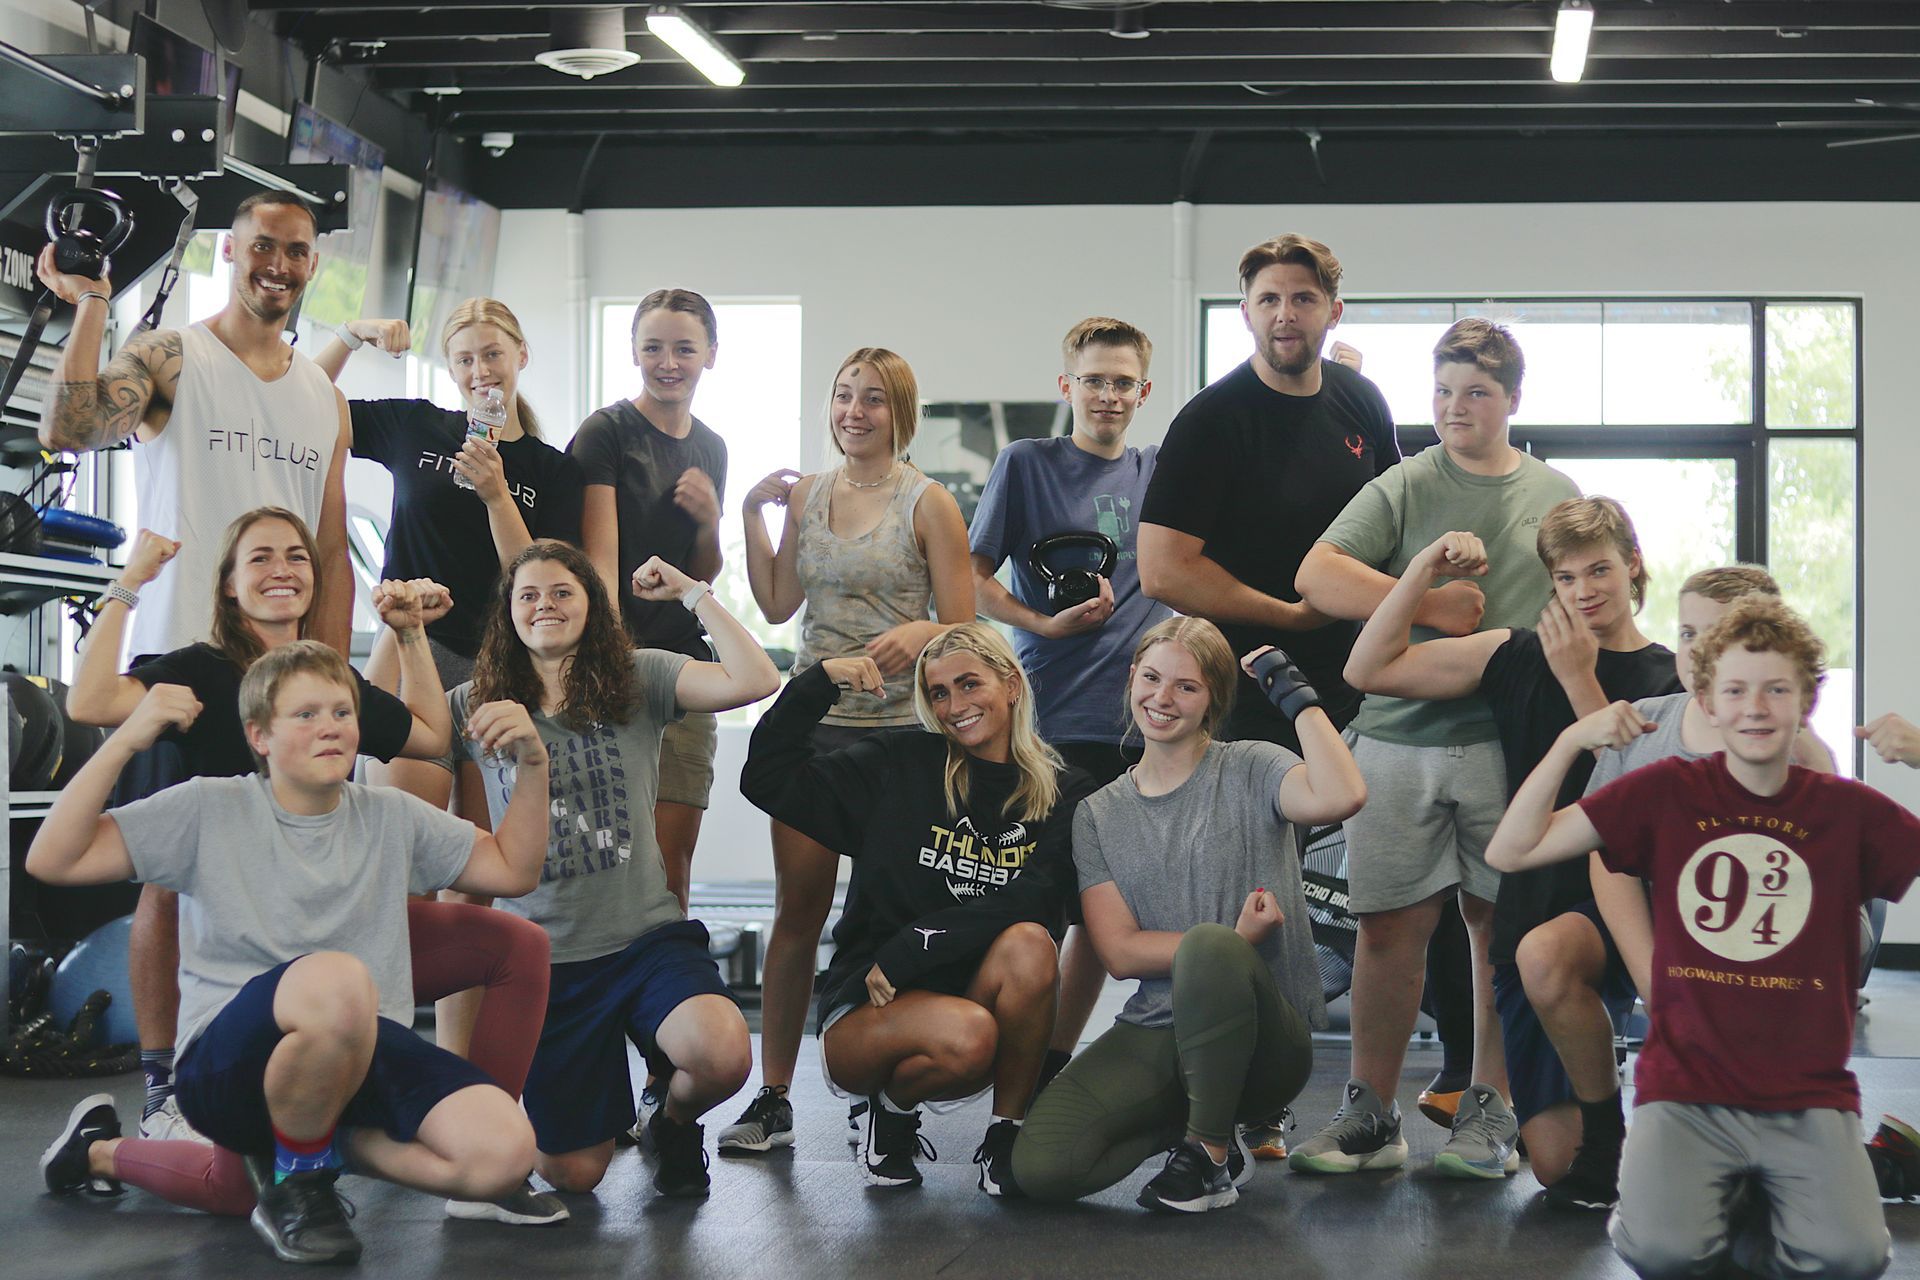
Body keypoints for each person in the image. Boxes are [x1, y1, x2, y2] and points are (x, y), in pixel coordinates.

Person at [32, 641, 553, 1266]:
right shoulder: (208, 806)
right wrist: (123, 741)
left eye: (341, 712)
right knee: (338, 981)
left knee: (502, 1154)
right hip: (229, 1067)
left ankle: (308, 1144)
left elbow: (513, 868)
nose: (329, 727)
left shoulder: (391, 815)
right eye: (305, 714)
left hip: (355, 1055)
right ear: (259, 735)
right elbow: (53, 858)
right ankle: (296, 1178)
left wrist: (533, 763)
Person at [1486, 596, 1915, 1280]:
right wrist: (1572, 739)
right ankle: (1688, 1201)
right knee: (1663, 1250)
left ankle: (1752, 1207)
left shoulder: (1846, 810)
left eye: (1777, 690)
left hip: (1807, 1093)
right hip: (1686, 1088)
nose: (1755, 708)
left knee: (1853, 1255)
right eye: (1736, 690)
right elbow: (1510, 852)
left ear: (1806, 700)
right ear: (1707, 703)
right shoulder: (1667, 790)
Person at [1291, 318, 1580, 1179]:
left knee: (1496, 932)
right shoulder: (1406, 481)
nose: (1457, 409)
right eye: (1445, 392)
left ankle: (1488, 1117)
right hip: (1394, 741)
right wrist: (1424, 598)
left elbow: (1587, 592)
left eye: (1478, 393)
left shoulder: (1553, 493)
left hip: (1505, 748)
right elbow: (1318, 575)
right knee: (1387, 932)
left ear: (1513, 401)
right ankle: (1370, 1119)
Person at [65, 511, 457, 1141]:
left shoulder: (329, 681)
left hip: (297, 893)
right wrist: (130, 578)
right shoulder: (199, 667)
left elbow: (431, 733)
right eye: (260, 558)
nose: (282, 569)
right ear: (228, 584)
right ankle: (163, 1088)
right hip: (213, 889)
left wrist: (410, 636)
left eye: (297, 556)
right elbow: (87, 703)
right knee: (164, 889)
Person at [1341, 497, 1680, 1188]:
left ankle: (1622, 1110)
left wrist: (1580, 679)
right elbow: (1368, 669)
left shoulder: (1670, 681)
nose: (1583, 591)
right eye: (1565, 578)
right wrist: (1423, 571)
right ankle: (1594, 1095)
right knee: (1556, 1169)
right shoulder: (1517, 651)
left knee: (1550, 954)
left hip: (1621, 908)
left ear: (1633, 567)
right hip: (1531, 903)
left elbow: (1630, 797)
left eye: (1599, 571)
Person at [435, 540, 779, 1200]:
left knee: (723, 1052)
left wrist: (691, 591)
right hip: (548, 964)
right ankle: (595, 1111)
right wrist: (405, 630)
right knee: (574, 1175)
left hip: (645, 942)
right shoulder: (475, 702)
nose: (546, 605)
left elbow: (756, 679)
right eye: (528, 595)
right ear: (507, 614)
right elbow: (405, 727)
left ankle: (671, 1121)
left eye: (563, 591)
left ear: (592, 603)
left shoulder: (639, 678)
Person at [1011, 617, 1365, 1212]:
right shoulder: (1098, 813)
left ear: (1213, 700)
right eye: (1151, 678)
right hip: (1159, 1026)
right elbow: (1120, 952)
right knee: (1042, 1169)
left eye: (1187, 687)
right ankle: (1195, 1129)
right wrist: (1230, 937)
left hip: (1266, 1040)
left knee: (1210, 948)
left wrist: (1297, 699)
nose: (1162, 698)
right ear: (1131, 680)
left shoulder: (1253, 765)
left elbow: (1343, 795)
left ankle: (1209, 1156)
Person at [740, 623, 1092, 1194]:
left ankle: (1005, 1138)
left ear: (1011, 685)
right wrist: (818, 681)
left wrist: (918, 942)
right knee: (971, 1032)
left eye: (970, 684)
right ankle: (892, 1108)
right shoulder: (898, 761)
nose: (955, 706)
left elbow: (1035, 894)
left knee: (1030, 942)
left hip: (959, 991)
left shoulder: (1062, 790)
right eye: (939, 693)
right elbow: (767, 778)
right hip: (872, 1006)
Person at [726, 346, 973, 1155]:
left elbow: (967, 628)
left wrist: (923, 629)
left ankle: (888, 1099)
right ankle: (773, 1097)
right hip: (815, 727)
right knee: (797, 913)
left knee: (887, 918)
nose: (853, 413)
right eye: (843, 397)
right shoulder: (809, 494)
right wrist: (751, 517)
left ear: (900, 412)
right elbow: (774, 601)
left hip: (902, 735)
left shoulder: (928, 502)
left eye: (871, 400)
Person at [1546, 565, 1834, 1212]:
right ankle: (1606, 1139)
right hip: (1654, 919)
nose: (1695, 652)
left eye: (1718, 636)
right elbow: (1607, 857)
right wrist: (1654, 980)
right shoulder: (1645, 723)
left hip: (1764, 935)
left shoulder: (1798, 751)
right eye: (1685, 634)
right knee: (1545, 952)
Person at [967, 316, 1172, 1089]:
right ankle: (998, 1059)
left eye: (1123, 382)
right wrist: (1041, 624)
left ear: (1143, 392)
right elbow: (973, 580)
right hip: (1047, 726)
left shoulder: (1159, 470)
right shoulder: (1027, 464)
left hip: (1138, 731)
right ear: (1068, 387)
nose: (1108, 395)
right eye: (1094, 380)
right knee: (1030, 910)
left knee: (1100, 912)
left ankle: (1050, 1065)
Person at [35, 190, 353, 655]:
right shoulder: (169, 357)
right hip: (174, 657)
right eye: (262, 245)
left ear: (313, 263)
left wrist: (331, 676)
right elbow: (68, 430)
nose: (279, 265)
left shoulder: (328, 399)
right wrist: (91, 302)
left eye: (296, 251)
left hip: (280, 678)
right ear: (228, 249)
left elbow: (329, 553)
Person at [1138, 233, 1406, 752]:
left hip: (1355, 687)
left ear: (1333, 311)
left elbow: (1395, 522)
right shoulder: (1210, 421)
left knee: (1342, 831)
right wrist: (1292, 616)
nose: (1286, 314)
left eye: (1303, 298)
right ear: (1246, 313)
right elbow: (1162, 570)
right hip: (1243, 695)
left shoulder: (1360, 398)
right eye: (1269, 300)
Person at [317, 298, 585, 788]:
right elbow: (302, 405)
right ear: (451, 368)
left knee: (482, 851)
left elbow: (540, 583)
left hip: (503, 665)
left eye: (492, 354)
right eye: (465, 360)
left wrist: (497, 496)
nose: (480, 371)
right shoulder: (416, 425)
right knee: (403, 838)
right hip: (413, 650)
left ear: (521, 355)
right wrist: (351, 334)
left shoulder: (554, 471)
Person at [570, 289, 728, 913]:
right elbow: (596, 566)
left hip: (684, 666)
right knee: (606, 856)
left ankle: (666, 1001)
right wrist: (611, 667)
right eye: (654, 347)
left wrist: (712, 520)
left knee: (670, 861)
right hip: (615, 661)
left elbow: (702, 574)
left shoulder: (711, 447)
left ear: (709, 355)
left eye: (685, 348)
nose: (669, 362)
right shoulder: (606, 432)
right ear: (633, 351)